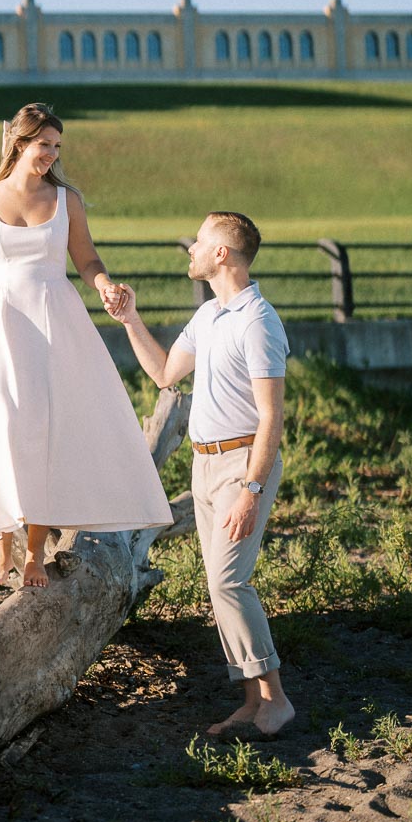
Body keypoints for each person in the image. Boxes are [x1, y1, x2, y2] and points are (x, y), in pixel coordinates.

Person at [0, 102, 172, 590]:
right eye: (45, 145)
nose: (52, 155)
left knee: (44, 433)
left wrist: (104, 284)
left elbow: (87, 259)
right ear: (20, 143)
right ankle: (2, 550)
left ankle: (35, 553)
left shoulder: (67, 201)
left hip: (54, 321)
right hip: (1, 324)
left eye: (57, 147)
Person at [102, 211, 295, 737]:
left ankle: (275, 700)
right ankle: (252, 701)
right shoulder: (211, 315)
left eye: (200, 240)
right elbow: (166, 373)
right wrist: (130, 320)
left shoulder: (258, 321)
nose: (190, 247)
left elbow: (272, 416)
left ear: (222, 255)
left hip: (242, 464)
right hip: (204, 463)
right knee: (219, 586)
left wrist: (252, 490)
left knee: (230, 581)